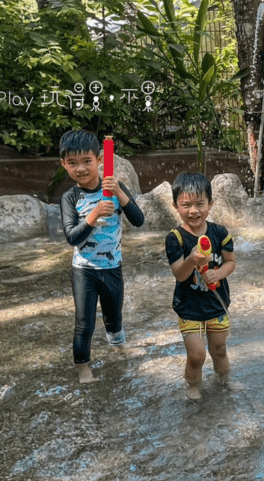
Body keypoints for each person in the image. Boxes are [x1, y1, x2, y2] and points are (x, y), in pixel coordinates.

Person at [59, 130, 145, 383]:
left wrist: (120, 193)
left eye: (87, 161)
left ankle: (119, 348)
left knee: (114, 315)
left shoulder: (115, 188)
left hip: (112, 266)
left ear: (98, 159)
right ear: (63, 164)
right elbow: (72, 237)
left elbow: (138, 221)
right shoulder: (70, 198)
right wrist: (93, 215)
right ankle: (83, 366)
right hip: (84, 269)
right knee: (84, 322)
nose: (81, 169)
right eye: (72, 163)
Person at [165, 172, 236, 401]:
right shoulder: (175, 238)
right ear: (176, 206)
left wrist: (219, 273)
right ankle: (193, 386)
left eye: (199, 204)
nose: (193, 211)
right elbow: (180, 274)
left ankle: (225, 381)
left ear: (210, 204)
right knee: (196, 355)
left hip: (216, 303)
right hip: (190, 306)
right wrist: (192, 260)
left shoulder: (220, 233)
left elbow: (231, 261)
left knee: (219, 350)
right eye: (186, 205)